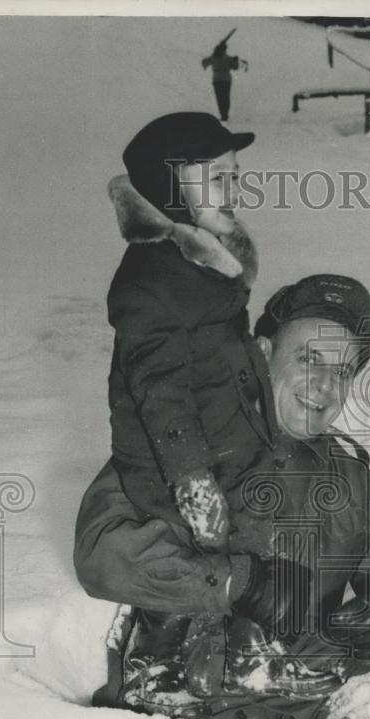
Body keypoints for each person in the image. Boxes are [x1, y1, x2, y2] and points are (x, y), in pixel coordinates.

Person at [75, 275, 370, 719]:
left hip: (294, 706)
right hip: (173, 708)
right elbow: (102, 551)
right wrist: (238, 582)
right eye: (309, 359)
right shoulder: (181, 446)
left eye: (343, 371)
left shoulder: (352, 486)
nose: (325, 386)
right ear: (262, 352)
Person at [108, 111, 287, 556]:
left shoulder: (207, 267)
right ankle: (205, 609)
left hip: (230, 450)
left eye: (235, 176)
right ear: (170, 187)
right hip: (172, 477)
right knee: (243, 567)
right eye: (216, 177)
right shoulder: (151, 284)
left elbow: (214, 358)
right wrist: (194, 485)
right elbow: (162, 395)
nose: (233, 190)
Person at [202, 40, 247, 122]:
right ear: (224, 50)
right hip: (226, 80)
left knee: (219, 98)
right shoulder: (227, 58)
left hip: (217, 80)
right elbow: (235, 67)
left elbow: (204, 64)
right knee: (226, 97)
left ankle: (223, 114)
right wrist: (235, 60)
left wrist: (207, 59)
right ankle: (225, 115)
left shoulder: (213, 57)